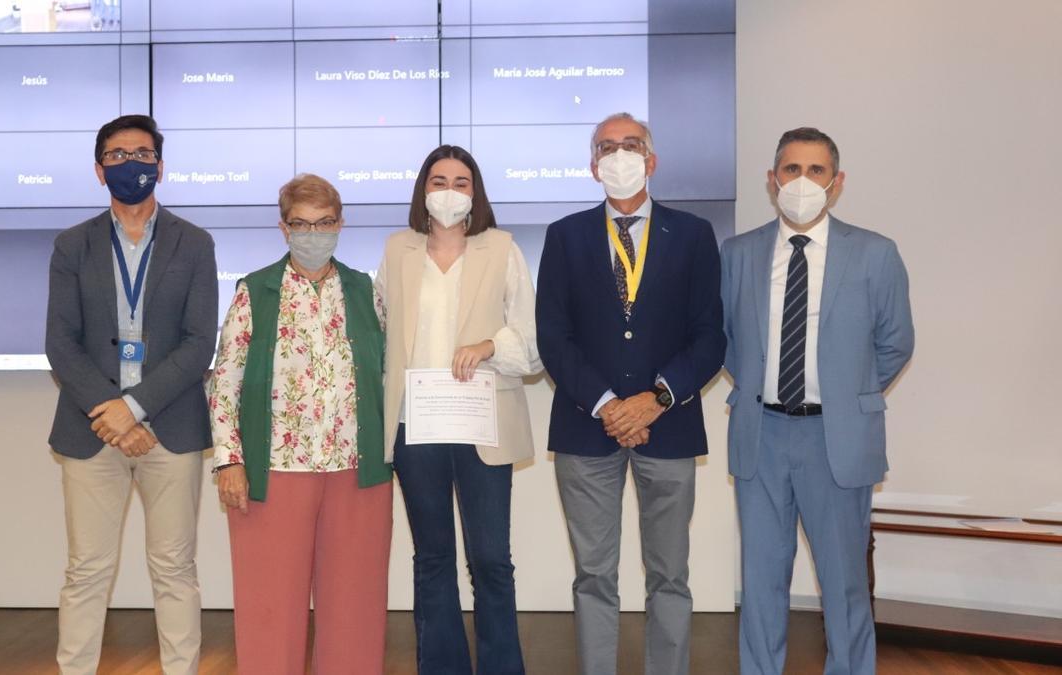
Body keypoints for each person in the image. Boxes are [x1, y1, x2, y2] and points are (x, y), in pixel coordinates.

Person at [535, 112, 725, 675]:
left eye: (631, 145)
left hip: (668, 428)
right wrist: (608, 406)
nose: (620, 156)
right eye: (607, 148)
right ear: (593, 166)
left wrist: (657, 398)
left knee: (670, 574)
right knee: (594, 575)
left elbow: (709, 336)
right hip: (583, 428)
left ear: (652, 159)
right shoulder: (564, 235)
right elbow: (554, 335)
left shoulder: (693, 234)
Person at [721, 127, 913, 675]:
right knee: (760, 584)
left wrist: (848, 393)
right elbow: (729, 341)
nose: (801, 181)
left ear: (837, 183)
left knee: (844, 584)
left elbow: (896, 340)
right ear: (771, 179)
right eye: (790, 169)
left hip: (838, 439)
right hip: (763, 435)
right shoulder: (738, 253)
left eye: (815, 170)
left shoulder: (875, 254)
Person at [45, 114, 217, 675]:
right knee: (86, 570)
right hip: (90, 430)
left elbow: (198, 345)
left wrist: (134, 408)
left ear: (160, 167)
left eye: (142, 155)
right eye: (117, 156)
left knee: (175, 568)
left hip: (172, 425)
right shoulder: (72, 246)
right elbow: (61, 344)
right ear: (99, 171)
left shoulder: (195, 243)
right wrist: (112, 412)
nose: (130, 165)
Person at [208, 174, 392, 675]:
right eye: (302, 224)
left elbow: (386, 373)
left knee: (355, 607)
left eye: (325, 222)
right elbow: (224, 381)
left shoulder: (364, 290)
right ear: (283, 227)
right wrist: (229, 460)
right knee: (269, 607)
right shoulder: (256, 291)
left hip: (357, 471)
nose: (314, 233)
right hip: (275, 472)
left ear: (341, 223)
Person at [375, 145, 541, 675]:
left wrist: (489, 345)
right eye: (439, 179)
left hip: (481, 424)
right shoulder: (398, 249)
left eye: (461, 181)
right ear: (423, 188)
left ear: (476, 192)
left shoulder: (502, 248)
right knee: (433, 559)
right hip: (414, 424)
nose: (449, 190)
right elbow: (379, 329)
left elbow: (532, 344)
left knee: (491, 560)